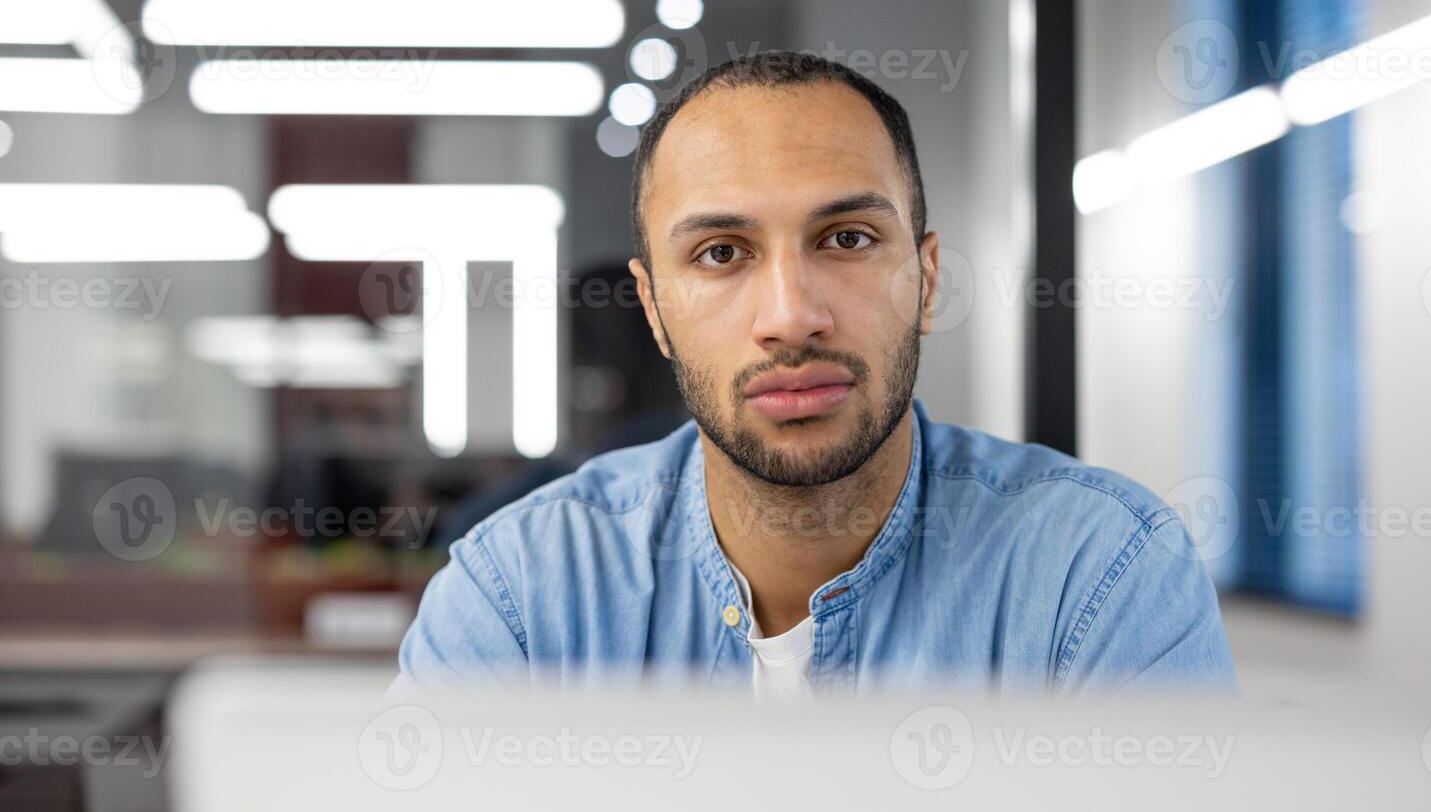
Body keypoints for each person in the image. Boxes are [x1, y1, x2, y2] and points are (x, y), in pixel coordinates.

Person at [395, 51, 1236, 699]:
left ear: (928, 278)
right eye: (721, 254)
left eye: (847, 240)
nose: (792, 316)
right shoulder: (521, 594)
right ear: (653, 309)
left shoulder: (1100, 573)